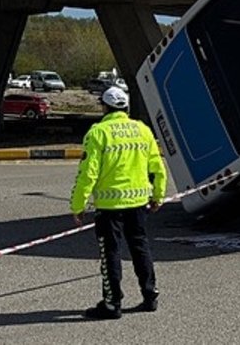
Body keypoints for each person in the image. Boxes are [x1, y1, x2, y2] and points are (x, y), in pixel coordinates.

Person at [71, 86, 169, 319]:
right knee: (140, 247)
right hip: (138, 204)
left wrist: (78, 205)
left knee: (110, 253)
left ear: (105, 107)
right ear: (125, 107)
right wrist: (158, 196)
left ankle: (112, 303)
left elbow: (88, 173)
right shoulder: (142, 130)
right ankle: (150, 295)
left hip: (109, 207)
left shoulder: (98, 133)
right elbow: (157, 168)